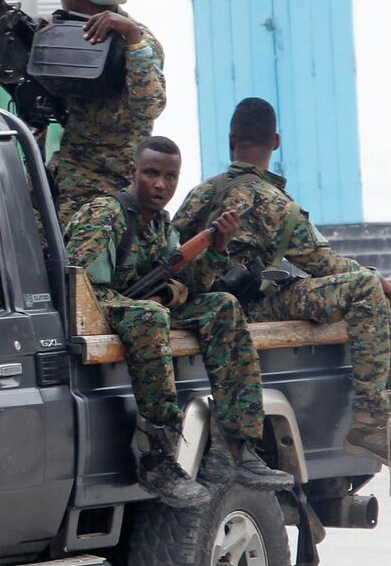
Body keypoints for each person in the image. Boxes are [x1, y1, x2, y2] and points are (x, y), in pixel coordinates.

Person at [172, 98, 391, 472]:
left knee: (368, 287)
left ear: (231, 139)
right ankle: (381, 423)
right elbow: (323, 263)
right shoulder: (271, 201)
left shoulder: (201, 192)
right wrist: (374, 277)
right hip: (247, 309)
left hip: (204, 305)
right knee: (367, 288)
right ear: (277, 142)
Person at [65, 136, 293, 508]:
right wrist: (145, 302)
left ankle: (237, 447)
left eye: (170, 177)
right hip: (105, 310)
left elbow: (189, 285)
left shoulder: (162, 226)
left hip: (138, 310)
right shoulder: (105, 214)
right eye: (151, 173)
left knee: (222, 305)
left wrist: (215, 250)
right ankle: (158, 453)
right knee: (149, 315)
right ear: (132, 172)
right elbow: (80, 287)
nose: (161, 185)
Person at [46, 0, 167, 222]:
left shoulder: (138, 40)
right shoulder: (66, 35)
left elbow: (150, 106)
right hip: (67, 185)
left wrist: (133, 40)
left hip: (113, 198)